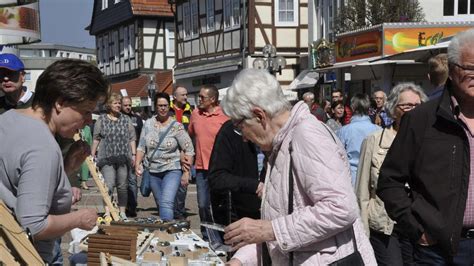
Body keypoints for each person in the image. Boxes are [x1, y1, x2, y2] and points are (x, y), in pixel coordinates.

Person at [220, 69, 376, 265]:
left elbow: (341, 208)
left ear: (259, 115)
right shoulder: (282, 144)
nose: (243, 137)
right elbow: (282, 225)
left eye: (239, 126)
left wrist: (268, 230)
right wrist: (241, 260)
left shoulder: (306, 134)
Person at [377, 29, 474, 264]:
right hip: (439, 250)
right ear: (451, 70)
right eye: (470, 68)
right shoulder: (422, 120)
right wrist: (416, 228)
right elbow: (389, 181)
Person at [0, 59, 109, 263]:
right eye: (85, 111)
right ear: (60, 103)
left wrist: (65, 168)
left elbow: (17, 183)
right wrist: (79, 218)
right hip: (25, 256)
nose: (88, 120)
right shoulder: (42, 145)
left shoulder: (8, 119)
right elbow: (33, 225)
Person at [356, 83, 427, 265]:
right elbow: (362, 191)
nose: (411, 110)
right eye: (405, 105)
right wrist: (362, 231)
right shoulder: (374, 140)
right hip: (384, 225)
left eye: (416, 105)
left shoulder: (430, 141)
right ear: (393, 109)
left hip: (419, 224)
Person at [135, 93, 194, 221]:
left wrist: (186, 172)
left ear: (169, 106)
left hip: (172, 168)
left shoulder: (176, 126)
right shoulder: (148, 124)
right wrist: (138, 163)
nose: (163, 108)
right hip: (153, 171)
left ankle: (166, 232)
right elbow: (141, 146)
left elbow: (189, 148)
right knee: (161, 203)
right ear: (155, 107)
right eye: (160, 106)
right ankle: (166, 231)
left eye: (165, 106)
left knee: (167, 202)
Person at [188, 85, 229, 240]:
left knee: (220, 205)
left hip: (220, 169)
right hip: (201, 168)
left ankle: (221, 235)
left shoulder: (225, 116)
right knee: (203, 204)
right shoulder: (195, 114)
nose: (199, 100)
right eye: (199, 96)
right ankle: (207, 236)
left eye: (202, 97)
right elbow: (190, 135)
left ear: (213, 99)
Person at [91, 92, 136, 220]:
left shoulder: (126, 119)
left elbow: (132, 138)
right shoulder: (102, 119)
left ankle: (122, 211)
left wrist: (133, 155)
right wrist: (92, 155)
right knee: (108, 185)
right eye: (115, 103)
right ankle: (108, 210)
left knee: (122, 186)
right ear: (109, 105)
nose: (118, 105)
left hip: (123, 157)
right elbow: (96, 139)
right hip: (107, 158)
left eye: (119, 103)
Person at [208, 120, 262, 226]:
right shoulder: (231, 130)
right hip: (241, 212)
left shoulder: (279, 130)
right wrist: (255, 185)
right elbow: (216, 178)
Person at [337, 93, 380, 186]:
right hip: (372, 177)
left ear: (352, 108)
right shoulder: (378, 130)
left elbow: (338, 157)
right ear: (368, 108)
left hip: (351, 177)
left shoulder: (344, 131)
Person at [169, 85, 193, 220]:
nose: (185, 97)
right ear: (175, 97)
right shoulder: (168, 111)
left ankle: (179, 212)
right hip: (171, 153)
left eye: (186, 94)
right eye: (182, 95)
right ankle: (170, 211)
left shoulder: (190, 112)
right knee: (171, 184)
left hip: (186, 152)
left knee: (183, 184)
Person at [121, 96, 143, 217]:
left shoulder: (137, 119)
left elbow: (141, 136)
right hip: (121, 154)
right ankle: (123, 206)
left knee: (132, 181)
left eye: (130, 105)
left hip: (134, 155)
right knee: (122, 183)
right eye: (126, 105)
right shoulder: (117, 119)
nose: (128, 107)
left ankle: (132, 206)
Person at [78, 125, 93, 190]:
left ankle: (84, 182)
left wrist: (91, 150)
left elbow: (90, 140)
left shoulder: (87, 128)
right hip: (76, 149)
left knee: (85, 166)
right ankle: (78, 182)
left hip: (85, 150)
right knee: (77, 167)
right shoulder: (76, 127)